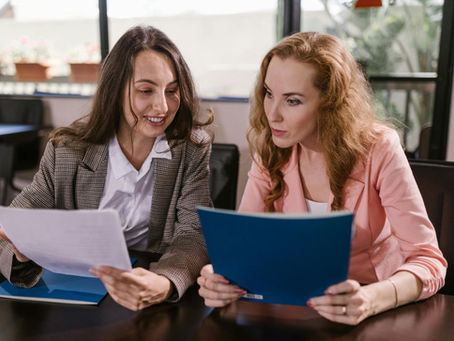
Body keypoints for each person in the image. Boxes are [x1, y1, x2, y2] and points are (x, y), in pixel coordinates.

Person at [197, 32, 447, 325]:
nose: (272, 115)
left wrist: (370, 300)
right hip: (292, 308)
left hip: (370, 312)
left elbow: (429, 261)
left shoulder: (380, 149)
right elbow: (243, 251)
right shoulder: (271, 149)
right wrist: (218, 277)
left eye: (292, 100)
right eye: (268, 93)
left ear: (331, 104)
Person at [0, 25, 213, 311]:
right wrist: (20, 252)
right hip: (78, 293)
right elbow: (14, 225)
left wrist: (164, 282)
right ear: (115, 90)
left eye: (172, 91)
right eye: (146, 90)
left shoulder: (191, 149)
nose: (162, 106)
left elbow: (193, 233)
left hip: (151, 289)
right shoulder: (67, 151)